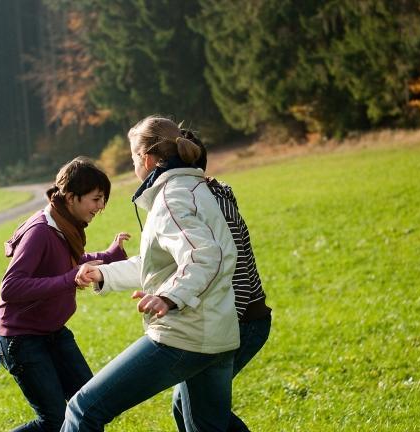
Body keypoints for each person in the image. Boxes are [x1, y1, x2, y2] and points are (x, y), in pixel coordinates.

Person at [61, 116, 240, 432]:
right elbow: (160, 263)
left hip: (184, 335)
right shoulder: (193, 188)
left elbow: (205, 256)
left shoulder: (172, 198)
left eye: (132, 158)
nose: (133, 166)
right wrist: (105, 275)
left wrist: (170, 297)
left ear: (146, 159)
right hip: (217, 334)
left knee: (82, 411)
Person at [0, 157, 130, 432]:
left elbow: (69, 260)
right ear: (70, 197)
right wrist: (69, 280)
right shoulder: (40, 231)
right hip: (22, 339)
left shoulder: (62, 225)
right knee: (54, 421)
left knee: (92, 405)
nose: (101, 206)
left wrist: (108, 256)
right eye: (96, 199)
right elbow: (10, 287)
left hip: (53, 332)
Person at [171, 129, 272, 432]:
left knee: (202, 414)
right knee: (188, 405)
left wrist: (223, 325)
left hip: (239, 322)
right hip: (228, 320)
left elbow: (234, 269)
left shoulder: (207, 202)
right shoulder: (202, 195)